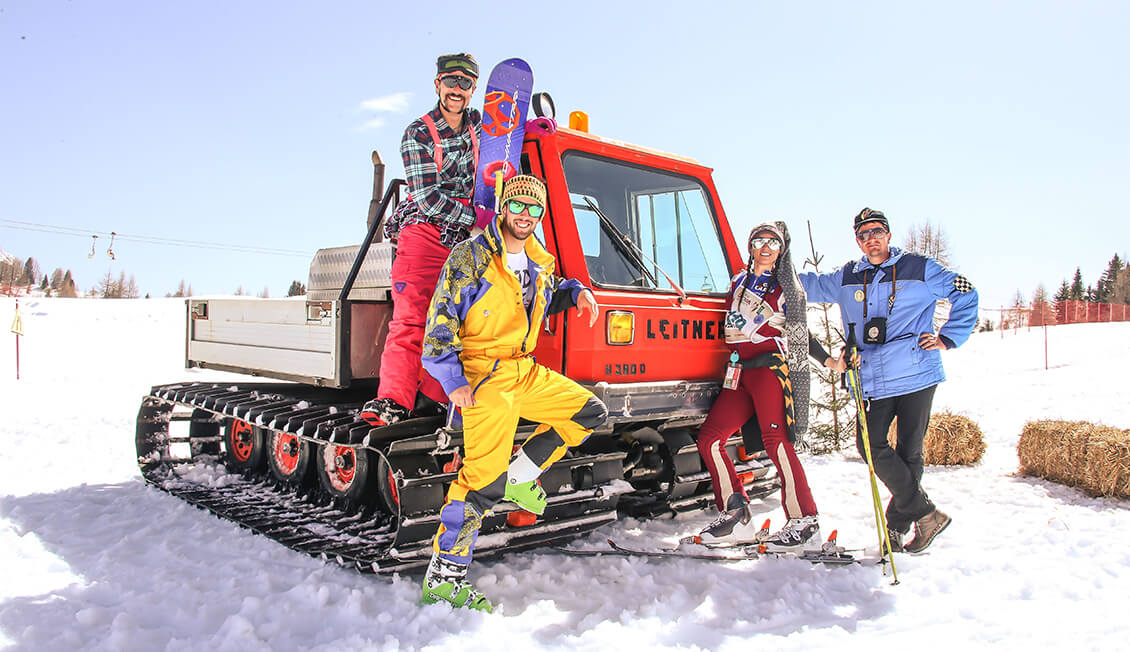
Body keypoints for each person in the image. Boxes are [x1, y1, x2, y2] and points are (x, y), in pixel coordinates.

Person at [418, 174, 605, 611]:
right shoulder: (472, 256)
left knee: (588, 412)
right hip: (483, 376)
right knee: (481, 483)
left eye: (534, 209)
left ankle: (520, 477)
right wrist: (454, 381)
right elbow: (440, 318)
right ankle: (444, 577)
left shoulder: (539, 260)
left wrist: (576, 292)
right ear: (503, 208)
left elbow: (541, 295)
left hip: (524, 370)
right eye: (518, 206)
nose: (525, 216)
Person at [799, 207, 979, 554]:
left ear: (889, 235)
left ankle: (896, 529)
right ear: (857, 240)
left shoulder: (919, 268)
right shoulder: (847, 277)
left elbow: (966, 290)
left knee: (910, 452)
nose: (871, 239)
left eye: (877, 232)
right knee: (870, 446)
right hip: (871, 379)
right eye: (864, 235)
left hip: (916, 374)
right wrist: (773, 268)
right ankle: (927, 514)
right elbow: (807, 286)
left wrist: (948, 336)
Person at [694, 222, 843, 553]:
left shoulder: (785, 289)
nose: (765, 247)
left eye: (772, 242)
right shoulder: (738, 281)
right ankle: (737, 516)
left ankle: (804, 521)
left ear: (780, 250)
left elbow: (801, 333)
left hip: (768, 369)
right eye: (759, 241)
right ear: (750, 247)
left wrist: (829, 361)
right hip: (738, 372)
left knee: (777, 441)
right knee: (711, 439)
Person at [361, 53, 483, 427]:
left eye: (465, 83)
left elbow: (508, 136)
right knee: (413, 319)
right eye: (451, 81)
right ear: (438, 85)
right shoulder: (418, 132)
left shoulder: (478, 125)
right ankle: (392, 400)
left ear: (473, 89)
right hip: (426, 234)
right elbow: (428, 198)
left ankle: (432, 396)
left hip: (463, 243)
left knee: (456, 321)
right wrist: (476, 219)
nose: (457, 89)